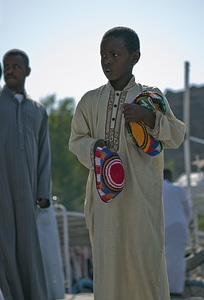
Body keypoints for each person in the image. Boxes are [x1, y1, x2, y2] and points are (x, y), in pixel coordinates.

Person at [69, 26, 185, 300]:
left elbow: (177, 135)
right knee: (109, 271)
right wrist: (95, 146)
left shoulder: (150, 98)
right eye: (102, 55)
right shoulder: (89, 101)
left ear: (135, 57)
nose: (107, 60)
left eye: (114, 54)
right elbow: (76, 141)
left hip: (141, 203)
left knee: (145, 268)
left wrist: (147, 118)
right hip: (104, 203)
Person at [0, 49, 64, 300]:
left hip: (27, 193)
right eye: (6, 65)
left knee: (28, 247)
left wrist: (42, 192)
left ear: (27, 71)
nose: (10, 69)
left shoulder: (38, 110)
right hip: (2, 190)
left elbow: (43, 154)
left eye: (16, 65)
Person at [163, 169, 192, 298]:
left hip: (161, 225)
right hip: (178, 224)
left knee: (161, 258)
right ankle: (175, 289)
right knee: (177, 259)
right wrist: (185, 222)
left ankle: (162, 288)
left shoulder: (154, 187)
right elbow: (187, 208)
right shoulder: (177, 189)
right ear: (170, 177)